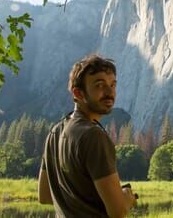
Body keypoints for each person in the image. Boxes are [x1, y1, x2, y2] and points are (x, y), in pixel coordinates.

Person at [38, 54, 137, 218]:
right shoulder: (93, 136)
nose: (109, 92)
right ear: (78, 93)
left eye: (112, 85)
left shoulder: (55, 132)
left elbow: (45, 196)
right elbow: (117, 212)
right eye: (99, 85)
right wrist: (125, 198)